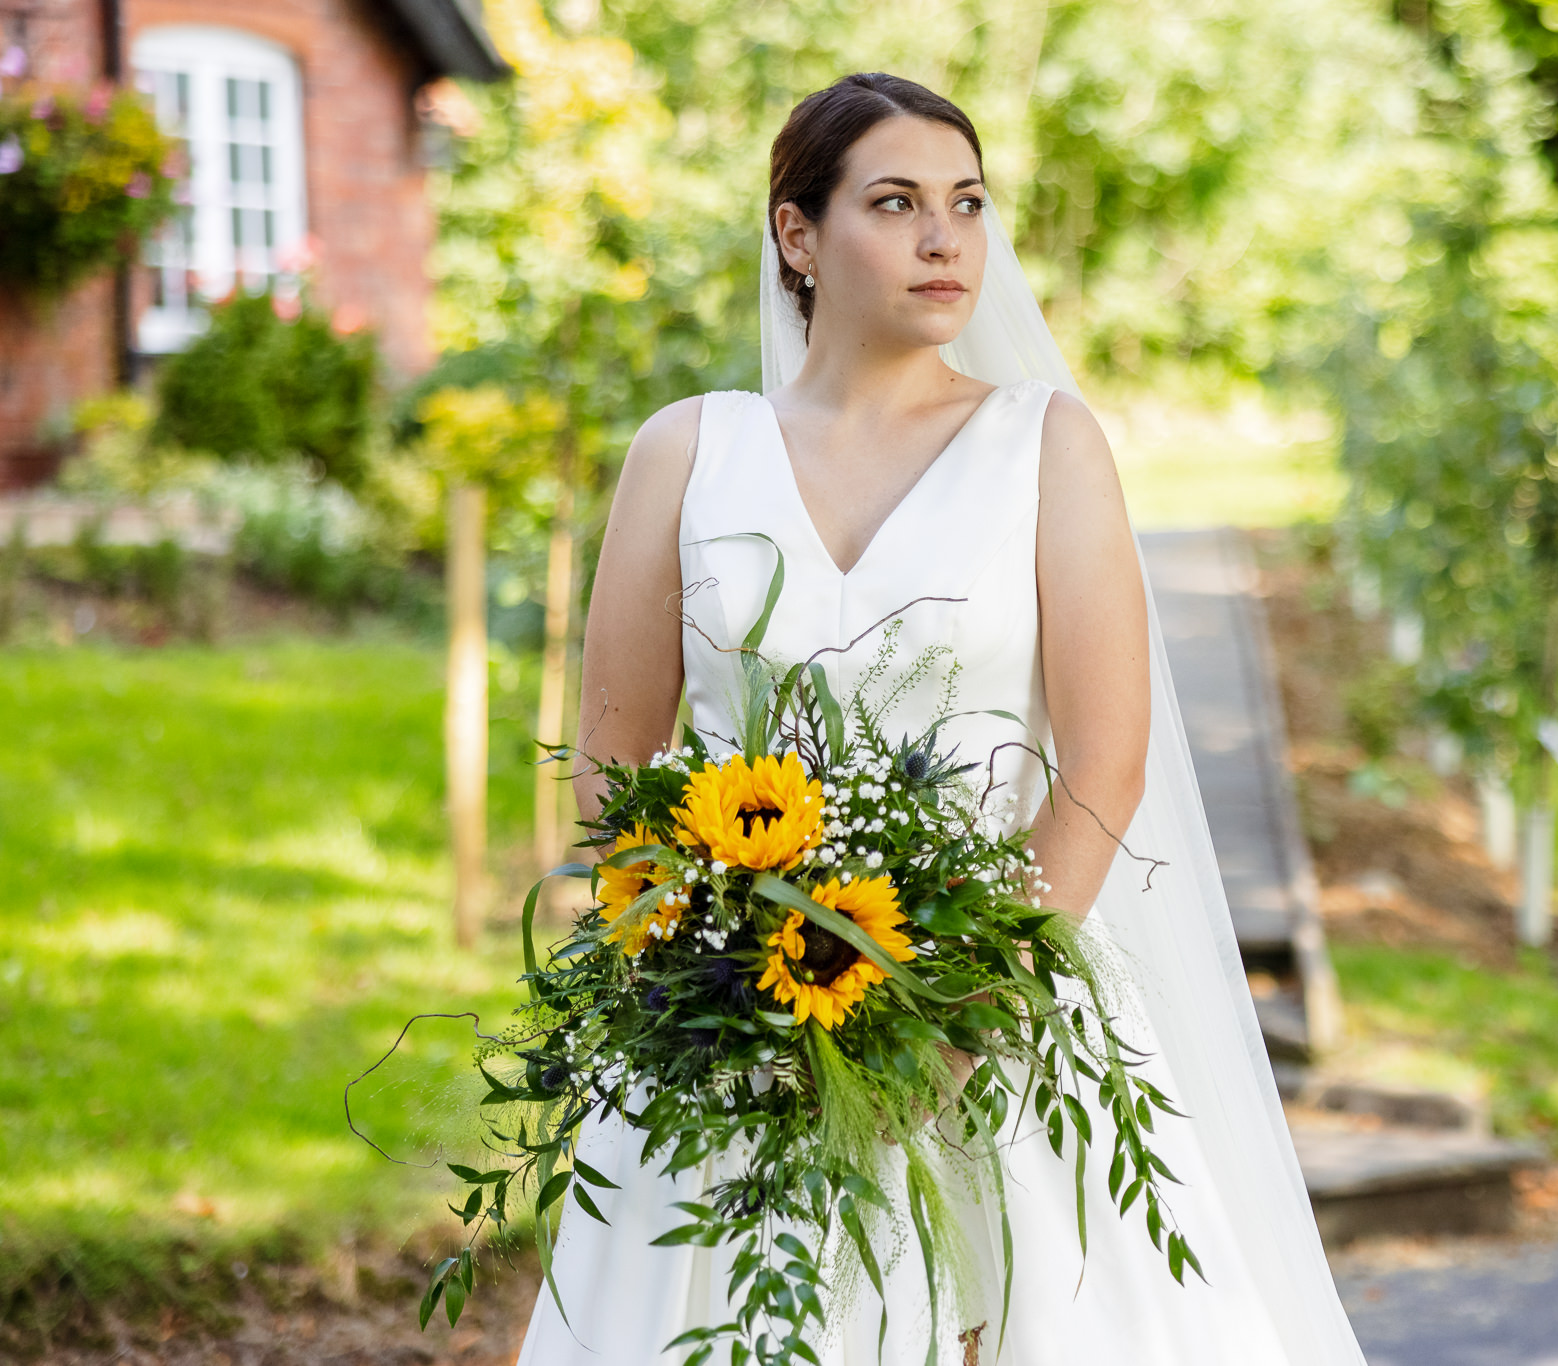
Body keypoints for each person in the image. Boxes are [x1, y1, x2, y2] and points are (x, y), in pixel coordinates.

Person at [517, 72, 1368, 1365]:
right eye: (896, 202)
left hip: (999, 1013)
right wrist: (704, 982)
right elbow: (613, 764)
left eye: (966, 205)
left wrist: (959, 1021)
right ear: (797, 235)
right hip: (737, 1029)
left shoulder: (1046, 443)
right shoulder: (687, 454)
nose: (944, 240)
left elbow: (1103, 762)